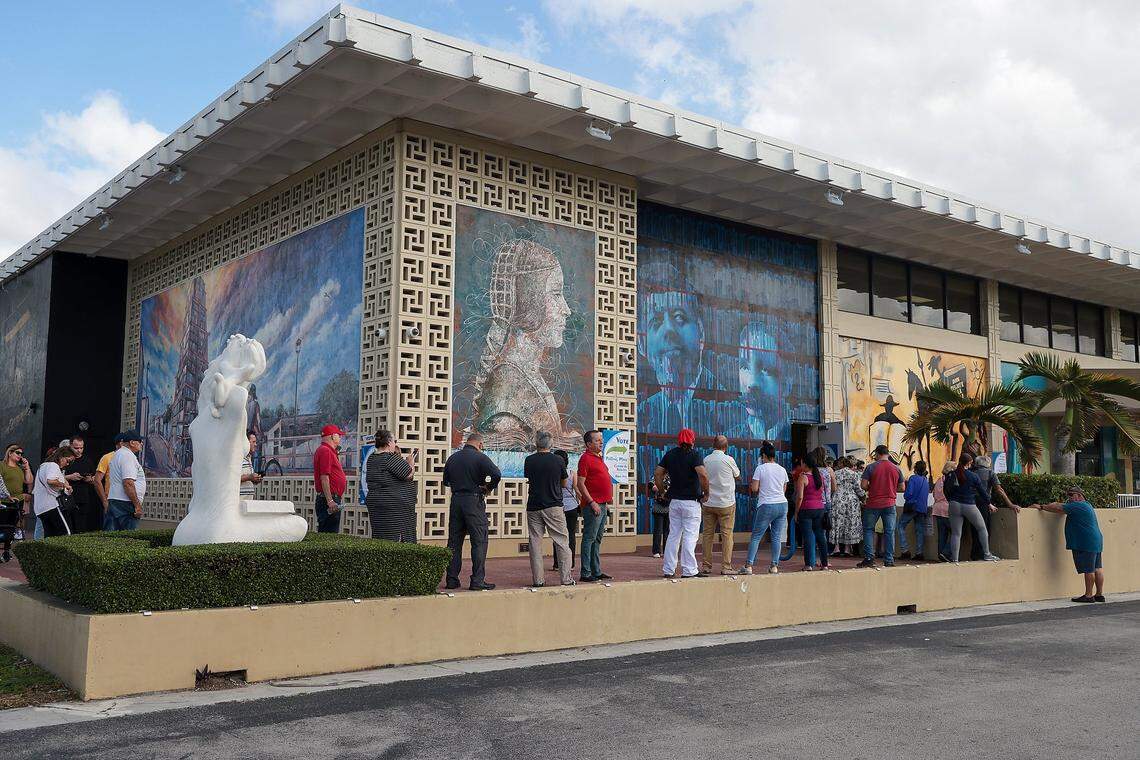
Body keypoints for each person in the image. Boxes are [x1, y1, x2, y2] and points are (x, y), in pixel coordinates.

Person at [443, 432, 502, 590]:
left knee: (454, 542)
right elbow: (496, 474)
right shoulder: (480, 457)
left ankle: (451, 579)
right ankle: (477, 580)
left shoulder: (453, 458)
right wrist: (487, 487)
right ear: (480, 444)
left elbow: (446, 481)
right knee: (479, 541)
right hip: (474, 501)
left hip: (456, 501)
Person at [1029, 486, 1104, 603]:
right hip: (1095, 540)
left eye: (1071, 495)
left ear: (1079, 495)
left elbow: (1057, 507)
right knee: (1097, 568)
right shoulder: (1087, 505)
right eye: (1068, 495)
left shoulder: (1077, 505)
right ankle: (1099, 594)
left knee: (1089, 570)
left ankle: (1089, 595)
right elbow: (1061, 509)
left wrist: (1041, 506)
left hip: (1085, 541)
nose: (1068, 497)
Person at [655, 428, 709, 578]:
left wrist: (662, 492)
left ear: (678, 440)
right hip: (691, 502)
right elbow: (703, 475)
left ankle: (668, 569)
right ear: (693, 440)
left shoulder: (670, 454)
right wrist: (706, 493)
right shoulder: (695, 455)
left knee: (673, 535)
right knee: (690, 536)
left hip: (675, 502)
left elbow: (658, 473)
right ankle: (689, 570)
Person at [523, 431, 574, 587]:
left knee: (535, 543)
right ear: (550, 444)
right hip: (553, 505)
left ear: (537, 443)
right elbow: (565, 483)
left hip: (533, 506)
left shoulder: (529, 460)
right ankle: (566, 579)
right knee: (562, 542)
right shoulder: (558, 460)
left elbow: (529, 479)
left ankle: (538, 581)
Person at [739, 441, 789, 575]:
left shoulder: (760, 469)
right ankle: (774, 566)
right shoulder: (782, 469)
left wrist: (758, 487)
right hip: (782, 504)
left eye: (761, 456)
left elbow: (754, 488)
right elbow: (784, 489)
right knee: (776, 537)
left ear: (764, 456)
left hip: (766, 504)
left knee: (756, 536)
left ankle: (748, 566)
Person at [944, 452, 1000, 563]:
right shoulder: (973, 476)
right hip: (969, 504)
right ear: (969, 463)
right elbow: (982, 492)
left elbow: (946, 490)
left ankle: (954, 559)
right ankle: (987, 554)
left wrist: (951, 500)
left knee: (956, 533)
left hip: (954, 504)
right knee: (982, 528)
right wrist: (989, 504)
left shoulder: (951, 474)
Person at [365, 429, 418, 543]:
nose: (395, 444)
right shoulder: (389, 457)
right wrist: (411, 463)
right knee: (395, 539)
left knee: (381, 538)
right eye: (395, 441)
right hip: (395, 508)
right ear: (389, 442)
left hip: (378, 503)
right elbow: (408, 474)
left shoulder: (372, 458)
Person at [576, 429, 614, 583]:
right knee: (589, 538)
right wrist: (592, 502)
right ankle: (585, 572)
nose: (601, 442)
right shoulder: (585, 458)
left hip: (603, 504)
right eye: (597, 440)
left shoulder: (598, 458)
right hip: (593, 505)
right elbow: (580, 483)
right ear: (588, 444)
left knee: (597, 539)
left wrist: (605, 502)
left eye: (601, 440)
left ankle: (596, 570)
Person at [857, 444, 904, 568]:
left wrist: (872, 487)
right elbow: (902, 487)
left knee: (868, 529)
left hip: (873, 503)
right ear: (887, 454)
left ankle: (869, 558)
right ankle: (889, 560)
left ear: (877, 454)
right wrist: (891, 489)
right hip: (890, 503)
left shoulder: (871, 467)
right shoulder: (896, 468)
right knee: (889, 531)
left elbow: (863, 485)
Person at [968, 454, 1020, 560]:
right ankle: (984, 553)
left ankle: (975, 554)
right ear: (988, 464)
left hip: (970, 503)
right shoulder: (990, 473)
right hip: (984, 503)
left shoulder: (971, 473)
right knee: (985, 528)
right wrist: (1010, 504)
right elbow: (999, 490)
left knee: (974, 529)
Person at [701, 435, 739, 575]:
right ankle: (726, 567)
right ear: (726, 447)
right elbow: (737, 475)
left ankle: (706, 566)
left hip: (709, 502)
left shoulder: (706, 460)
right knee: (727, 535)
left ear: (713, 445)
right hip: (726, 504)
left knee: (707, 535)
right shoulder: (729, 460)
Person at [793, 451, 829, 570]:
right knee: (820, 536)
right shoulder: (820, 477)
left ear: (805, 464)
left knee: (808, 536)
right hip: (820, 508)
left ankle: (809, 564)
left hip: (806, 509)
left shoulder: (803, 477)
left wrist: (796, 512)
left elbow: (800, 497)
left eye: (802, 463)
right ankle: (824, 564)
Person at [33, 446, 78, 537]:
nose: (68, 464)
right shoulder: (53, 465)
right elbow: (51, 481)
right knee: (66, 533)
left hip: (40, 509)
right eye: (68, 461)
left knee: (50, 536)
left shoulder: (43, 466)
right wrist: (64, 485)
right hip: (52, 506)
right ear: (61, 456)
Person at [106, 431, 146, 531]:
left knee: (113, 536)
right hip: (126, 503)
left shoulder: (118, 454)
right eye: (140, 441)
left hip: (116, 500)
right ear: (132, 443)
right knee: (128, 537)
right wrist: (137, 506)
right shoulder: (128, 456)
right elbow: (128, 483)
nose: (142, 444)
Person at [313, 424, 347, 534]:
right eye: (339, 435)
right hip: (329, 499)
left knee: (328, 531)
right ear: (332, 436)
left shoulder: (327, 450)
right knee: (329, 533)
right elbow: (324, 477)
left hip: (329, 498)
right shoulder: (325, 451)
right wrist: (330, 500)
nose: (340, 438)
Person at [62, 435, 100, 532]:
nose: (79, 450)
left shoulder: (87, 461)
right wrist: (70, 477)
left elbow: (95, 477)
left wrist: (90, 479)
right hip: (66, 498)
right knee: (67, 526)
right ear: (70, 446)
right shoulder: (64, 460)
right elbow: (54, 476)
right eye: (76, 448)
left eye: (81, 448)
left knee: (81, 526)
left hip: (82, 498)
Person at [830, 457, 863, 556]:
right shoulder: (854, 474)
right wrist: (863, 497)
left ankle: (836, 548)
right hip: (851, 500)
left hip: (837, 499)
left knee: (837, 523)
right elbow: (858, 488)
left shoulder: (836, 473)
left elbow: (832, 487)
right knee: (849, 523)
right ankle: (847, 549)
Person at [897, 461, 931, 560]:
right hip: (922, 508)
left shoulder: (913, 478)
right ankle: (919, 553)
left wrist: (905, 496)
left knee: (900, 526)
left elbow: (908, 494)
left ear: (915, 469)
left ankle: (905, 550)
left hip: (912, 507)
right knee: (919, 531)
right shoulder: (925, 480)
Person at [552, 449, 579, 571]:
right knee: (571, 535)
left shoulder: (552, 474)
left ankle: (557, 564)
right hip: (572, 507)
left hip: (558, 506)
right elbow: (576, 490)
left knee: (557, 535)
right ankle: (571, 563)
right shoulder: (572, 473)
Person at [2, 444, 33, 540]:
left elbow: (29, 481)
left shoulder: (20, 468)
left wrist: (27, 468)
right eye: (18, 453)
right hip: (4, 501)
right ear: (10, 453)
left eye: (21, 453)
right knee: (2, 527)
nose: (20, 455)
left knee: (11, 527)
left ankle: (6, 552)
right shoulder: (1, 465)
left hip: (17, 501)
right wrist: (7, 496)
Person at [94, 435, 124, 523]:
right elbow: (97, 480)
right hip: (112, 500)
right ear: (120, 444)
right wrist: (104, 501)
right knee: (111, 529)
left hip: (127, 500)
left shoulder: (131, 458)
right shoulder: (107, 457)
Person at [932, 462, 954, 562]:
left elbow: (934, 494)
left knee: (942, 534)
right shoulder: (952, 480)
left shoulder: (939, 480)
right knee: (955, 533)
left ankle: (940, 555)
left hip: (937, 509)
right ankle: (946, 552)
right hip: (947, 509)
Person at [240, 431, 263, 500]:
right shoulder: (238, 458)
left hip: (248, 502)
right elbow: (232, 479)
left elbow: (247, 479)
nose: (255, 444)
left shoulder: (249, 458)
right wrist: (249, 477)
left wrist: (255, 479)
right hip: (239, 502)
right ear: (246, 442)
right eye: (253, 442)